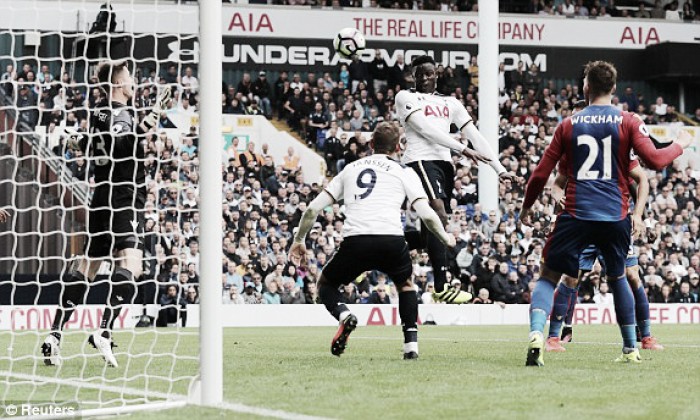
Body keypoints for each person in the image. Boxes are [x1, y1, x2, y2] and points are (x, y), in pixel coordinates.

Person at [520, 60, 692, 366]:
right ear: (614, 88)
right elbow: (654, 161)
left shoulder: (569, 124)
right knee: (619, 278)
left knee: (548, 277)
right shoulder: (627, 121)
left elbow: (540, 174)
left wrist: (526, 207)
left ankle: (538, 334)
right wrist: (679, 144)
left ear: (586, 87)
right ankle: (630, 348)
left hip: (576, 215)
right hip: (614, 216)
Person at [288, 122, 456, 360]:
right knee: (406, 285)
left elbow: (313, 209)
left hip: (356, 242)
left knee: (325, 285)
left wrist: (299, 239)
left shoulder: (350, 169)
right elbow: (428, 214)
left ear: (370, 144)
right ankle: (411, 346)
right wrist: (445, 238)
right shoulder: (404, 171)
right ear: (399, 146)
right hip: (391, 241)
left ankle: (344, 314)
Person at [42, 60, 171, 368]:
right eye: (128, 79)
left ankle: (54, 336)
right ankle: (104, 330)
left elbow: (96, 141)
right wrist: (151, 118)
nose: (133, 84)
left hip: (100, 196)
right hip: (123, 195)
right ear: (117, 84)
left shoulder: (98, 112)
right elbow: (121, 144)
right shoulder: (121, 112)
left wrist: (77, 140)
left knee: (86, 268)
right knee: (132, 265)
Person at [396, 55, 516, 304]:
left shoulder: (451, 103)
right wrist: (462, 149)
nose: (425, 78)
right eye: (420, 74)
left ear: (437, 74)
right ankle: (441, 287)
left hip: (443, 165)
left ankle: (380, 243)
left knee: (430, 229)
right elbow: (424, 129)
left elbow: (475, 136)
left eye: (429, 73)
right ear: (413, 76)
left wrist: (499, 168)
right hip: (419, 161)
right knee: (438, 214)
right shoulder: (406, 97)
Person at [545, 159, 664, 352]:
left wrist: (646, 221)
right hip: (584, 226)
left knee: (632, 276)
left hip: (615, 227)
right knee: (570, 277)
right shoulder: (583, 155)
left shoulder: (619, 155)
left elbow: (638, 190)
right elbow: (562, 190)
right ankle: (553, 338)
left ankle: (646, 337)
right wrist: (555, 219)